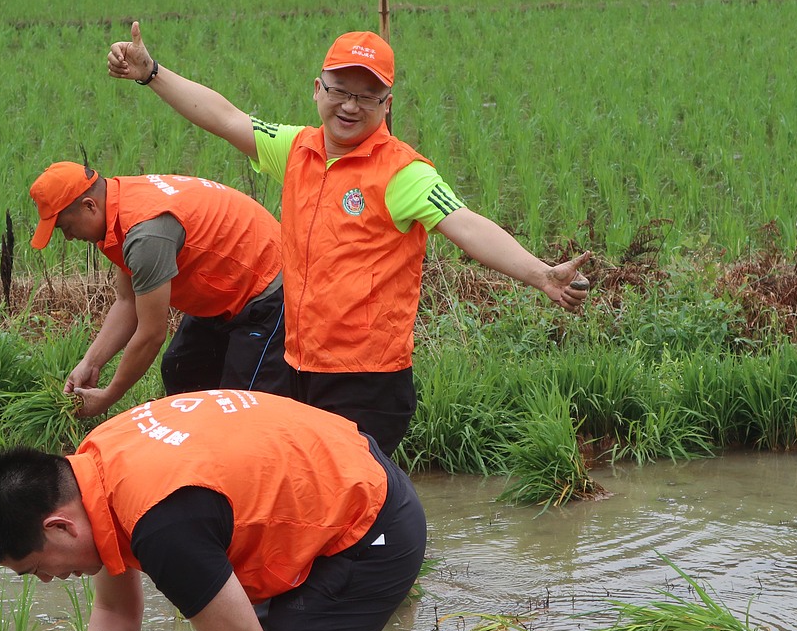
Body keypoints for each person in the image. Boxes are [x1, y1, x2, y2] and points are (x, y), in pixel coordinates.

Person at [107, 23, 593, 455]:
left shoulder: (403, 174)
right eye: (340, 90)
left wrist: (539, 273)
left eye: (367, 96)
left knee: (354, 506)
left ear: (387, 104)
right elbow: (226, 117)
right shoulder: (297, 149)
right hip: (298, 366)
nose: (349, 106)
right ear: (318, 89)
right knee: (307, 497)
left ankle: (399, 554)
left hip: (367, 380)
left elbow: (465, 224)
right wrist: (153, 74)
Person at [0, 389, 426, 631]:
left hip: (369, 523)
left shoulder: (163, 524)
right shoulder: (93, 465)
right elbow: (116, 610)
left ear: (59, 526)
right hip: (333, 470)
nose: (46, 580)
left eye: (36, 568)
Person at [29, 161, 291, 417]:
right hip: (223, 282)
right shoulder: (119, 207)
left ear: (89, 206)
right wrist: (90, 362)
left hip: (267, 287)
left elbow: (151, 334)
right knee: (182, 369)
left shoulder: (145, 234)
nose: (69, 237)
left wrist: (109, 395)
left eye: (65, 226)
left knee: (243, 406)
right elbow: (127, 302)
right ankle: (196, 450)